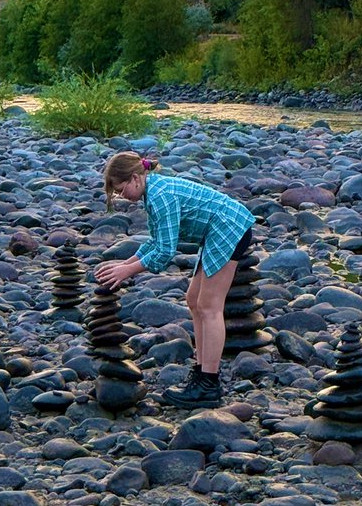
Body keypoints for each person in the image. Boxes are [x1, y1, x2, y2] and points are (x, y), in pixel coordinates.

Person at [96, 151, 255, 409]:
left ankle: (208, 384)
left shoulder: (160, 195)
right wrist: (124, 264)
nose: (121, 196)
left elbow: (165, 252)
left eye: (121, 189)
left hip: (229, 227)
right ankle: (201, 372)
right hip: (217, 230)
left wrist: (128, 272)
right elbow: (155, 240)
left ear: (136, 178)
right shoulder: (153, 192)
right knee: (194, 300)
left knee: (209, 306)